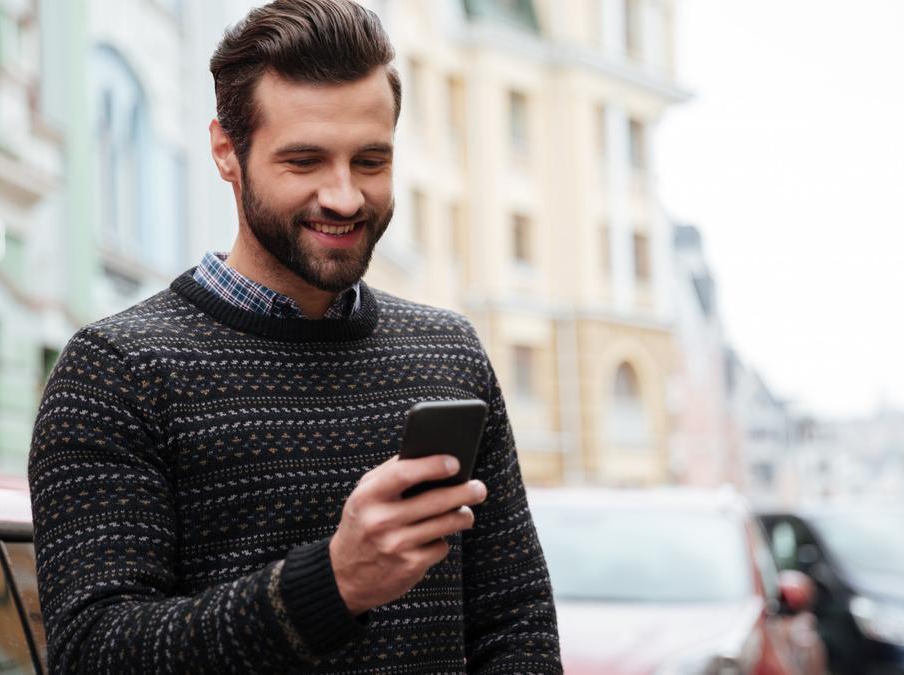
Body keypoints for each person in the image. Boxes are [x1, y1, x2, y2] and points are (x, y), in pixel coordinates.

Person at [28, 0, 562, 672]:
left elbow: (518, 625)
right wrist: (329, 585)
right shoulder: (116, 372)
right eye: (305, 161)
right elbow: (94, 653)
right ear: (227, 151)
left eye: (370, 161)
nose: (344, 196)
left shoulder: (449, 355)